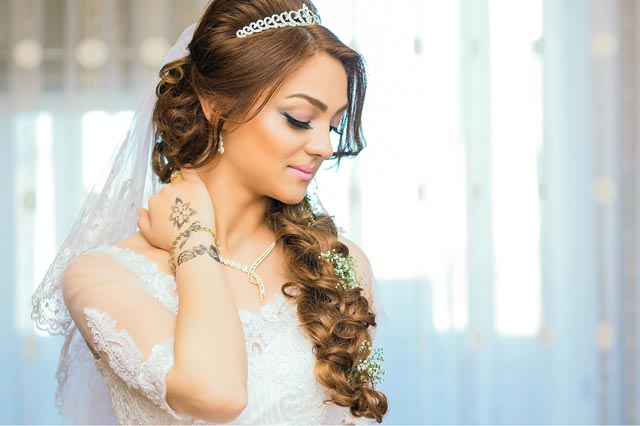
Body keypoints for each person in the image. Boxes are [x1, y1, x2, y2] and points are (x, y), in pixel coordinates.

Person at [31, 0, 388, 424]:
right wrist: (194, 238)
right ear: (216, 104)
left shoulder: (339, 268)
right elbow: (216, 394)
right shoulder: (104, 274)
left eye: (333, 126)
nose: (325, 147)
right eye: (299, 118)